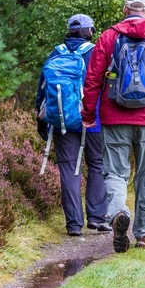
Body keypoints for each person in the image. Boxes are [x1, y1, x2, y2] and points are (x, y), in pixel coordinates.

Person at [81, 0, 145, 252]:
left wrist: (88, 114)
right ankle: (144, 234)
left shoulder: (108, 37)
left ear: (125, 10)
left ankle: (117, 214)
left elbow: (92, 80)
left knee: (115, 172)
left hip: (114, 117)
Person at [35, 14, 111, 236]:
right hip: (92, 119)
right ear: (89, 31)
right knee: (97, 164)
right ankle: (97, 218)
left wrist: (43, 120)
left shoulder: (56, 53)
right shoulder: (95, 51)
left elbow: (42, 89)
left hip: (61, 121)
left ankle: (73, 225)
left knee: (69, 168)